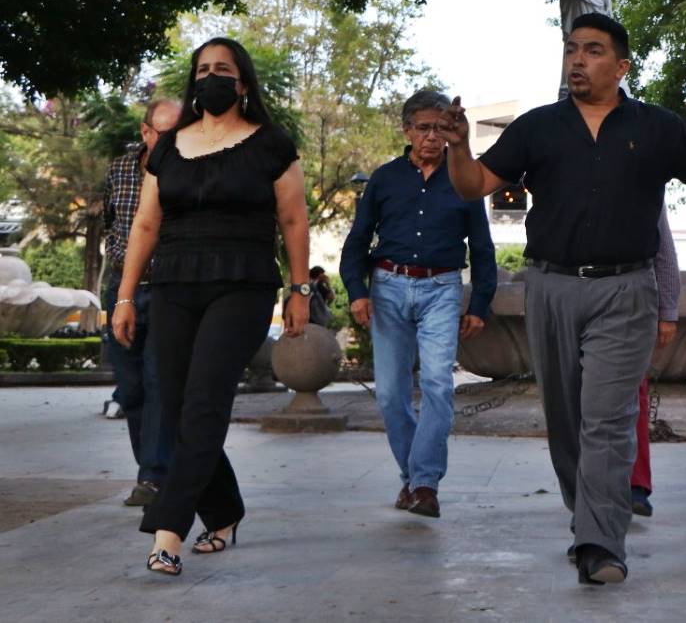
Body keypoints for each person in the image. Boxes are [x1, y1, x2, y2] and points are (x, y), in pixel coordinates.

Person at [441, 12, 686, 585]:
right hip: (551, 286)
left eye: (594, 51)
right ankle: (587, 516)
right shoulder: (538, 127)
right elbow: (471, 185)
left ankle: (601, 543)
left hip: (626, 289)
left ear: (622, 65)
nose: (579, 60)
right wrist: (459, 147)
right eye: (572, 49)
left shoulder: (656, 126)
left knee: (608, 420)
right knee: (566, 418)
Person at [112, 37, 311, 576]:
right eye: (203, 70)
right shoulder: (171, 146)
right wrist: (126, 295)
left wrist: (299, 290)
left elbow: (293, 220)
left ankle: (168, 530)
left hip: (242, 284)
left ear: (243, 83)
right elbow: (146, 223)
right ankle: (223, 511)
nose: (212, 77)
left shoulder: (271, 143)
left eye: (223, 69)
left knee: (203, 401)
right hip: (174, 282)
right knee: (176, 407)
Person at [339, 89, 497, 519]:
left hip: (442, 288)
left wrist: (479, 304)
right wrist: (357, 292)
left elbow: (482, 248)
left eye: (441, 129)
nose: (432, 137)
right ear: (406, 130)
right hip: (388, 287)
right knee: (390, 394)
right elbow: (357, 241)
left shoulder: (465, 179)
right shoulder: (385, 178)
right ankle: (411, 476)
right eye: (423, 128)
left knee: (438, 386)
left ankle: (424, 483)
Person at [102, 98, 180, 507]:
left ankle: (152, 475)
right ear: (146, 131)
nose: (170, 141)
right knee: (130, 389)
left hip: (168, 288)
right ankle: (149, 468)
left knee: (158, 381)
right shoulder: (119, 170)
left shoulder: (188, 172)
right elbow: (110, 221)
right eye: (162, 133)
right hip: (122, 288)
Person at [630, 207, 681, 518]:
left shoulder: (643, 171)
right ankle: (587, 487)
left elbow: (664, 250)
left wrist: (668, 310)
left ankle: (636, 485)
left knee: (634, 398)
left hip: (632, 300)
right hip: (574, 296)